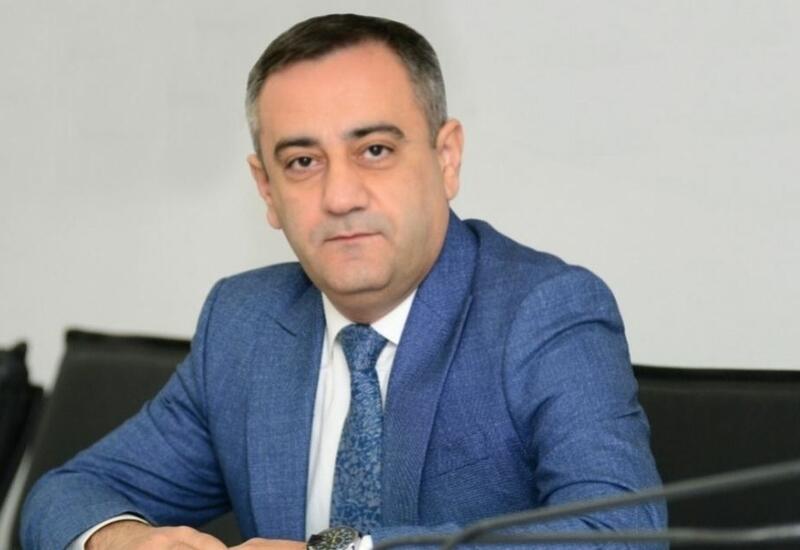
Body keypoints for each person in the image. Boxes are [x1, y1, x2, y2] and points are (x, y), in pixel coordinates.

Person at [21, 13, 666, 550]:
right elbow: (64, 495)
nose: (339, 196)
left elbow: (621, 535)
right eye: (303, 162)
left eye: (374, 150)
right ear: (267, 190)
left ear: (446, 159)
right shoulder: (244, 324)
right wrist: (128, 541)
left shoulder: (544, 312)